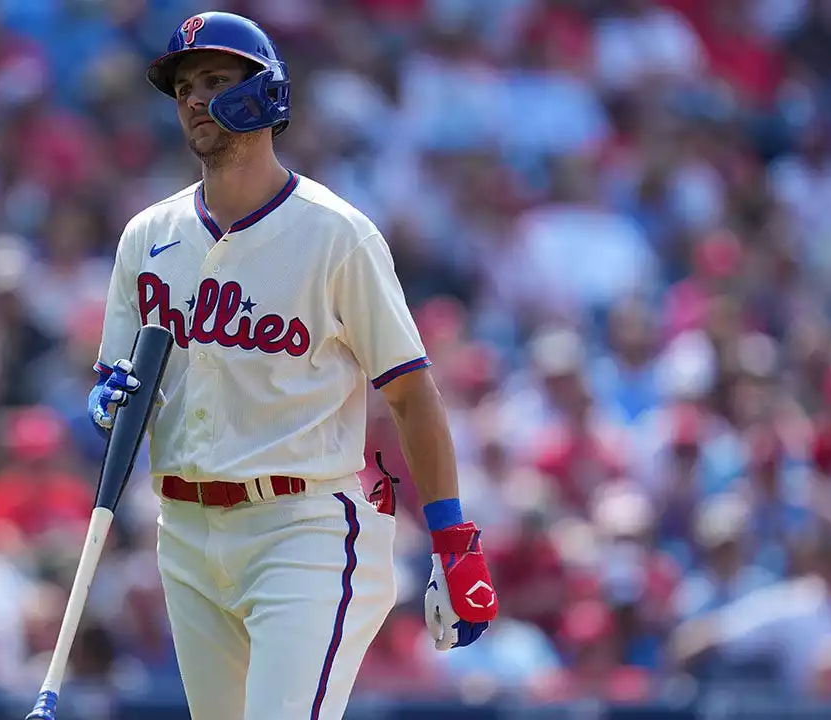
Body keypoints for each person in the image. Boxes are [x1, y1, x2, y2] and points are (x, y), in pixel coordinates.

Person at [30, 11, 498, 720]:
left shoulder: (337, 234)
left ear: (267, 95)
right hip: (184, 533)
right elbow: (124, 389)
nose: (192, 98)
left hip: (301, 526)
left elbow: (410, 392)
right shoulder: (147, 235)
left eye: (215, 80)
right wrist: (109, 400)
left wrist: (453, 540)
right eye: (184, 85)